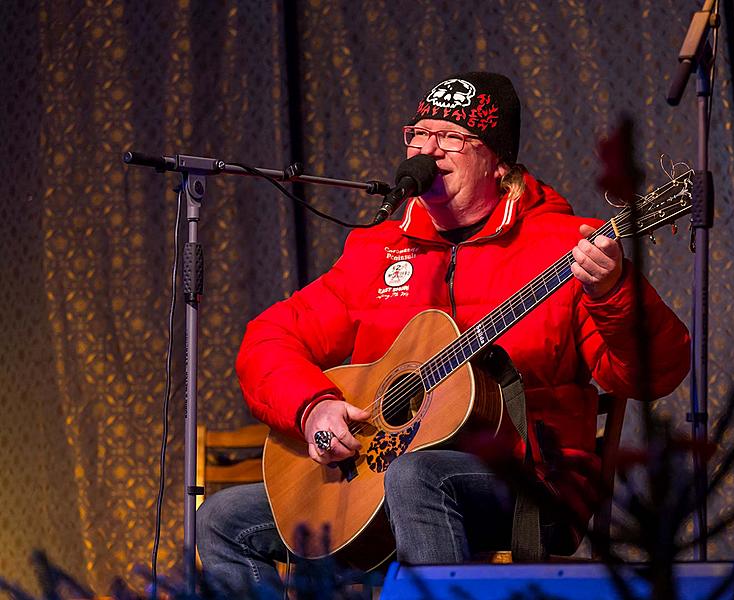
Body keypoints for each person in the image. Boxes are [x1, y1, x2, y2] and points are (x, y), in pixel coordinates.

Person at [197, 71, 690, 592]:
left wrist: (612, 291)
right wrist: (312, 406)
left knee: (415, 477)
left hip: (528, 480)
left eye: (451, 138)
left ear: (497, 161)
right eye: (419, 134)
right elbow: (268, 338)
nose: (428, 152)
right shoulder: (377, 250)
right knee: (225, 519)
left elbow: (653, 374)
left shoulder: (570, 245)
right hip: (383, 476)